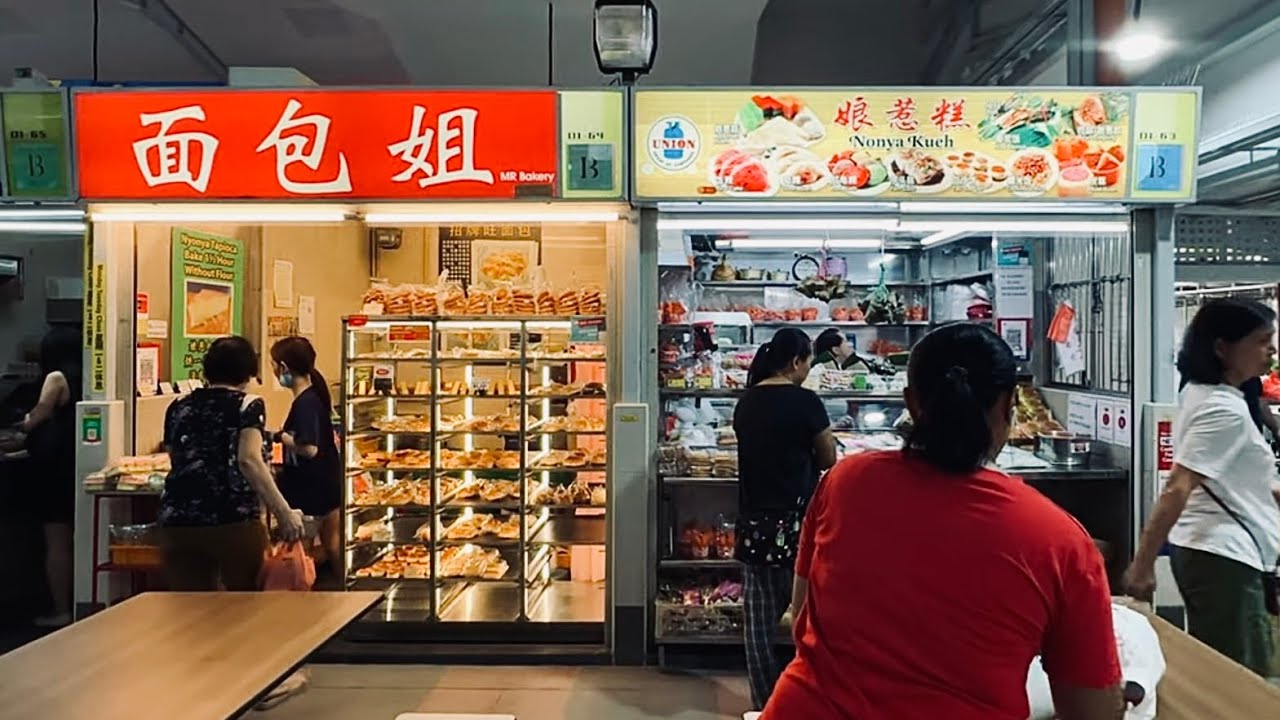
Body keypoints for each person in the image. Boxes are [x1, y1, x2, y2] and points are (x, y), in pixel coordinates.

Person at [763, 323, 1122, 720]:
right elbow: (1093, 711)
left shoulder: (843, 483)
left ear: (911, 405)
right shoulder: (1059, 539)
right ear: (1008, 407)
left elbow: (803, 620)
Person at [1124, 298, 1280, 676]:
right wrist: (1142, 566)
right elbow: (1178, 488)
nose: (1272, 350)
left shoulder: (1206, 394)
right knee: (1240, 679)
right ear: (1223, 348)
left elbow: (1236, 482)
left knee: (1226, 671)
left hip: (1213, 552)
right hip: (1223, 558)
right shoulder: (1221, 410)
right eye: (1262, 340)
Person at [733, 327, 838, 709]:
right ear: (797, 362)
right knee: (806, 618)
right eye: (809, 361)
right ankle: (802, 702)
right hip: (799, 526)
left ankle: (765, 705)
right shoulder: (806, 402)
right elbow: (829, 459)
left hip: (754, 525)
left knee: (759, 628)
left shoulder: (746, 402)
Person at [159, 336, 304, 591]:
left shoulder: (178, 405)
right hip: (232, 519)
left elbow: (174, 454)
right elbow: (249, 460)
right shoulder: (248, 404)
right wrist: (284, 512)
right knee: (243, 608)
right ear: (248, 371)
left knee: (186, 610)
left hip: (178, 521)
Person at [20, 326, 82, 626]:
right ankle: (83, 600)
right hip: (78, 460)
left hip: (55, 466)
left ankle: (61, 610)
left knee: (56, 540)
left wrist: (23, 425)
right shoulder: (93, 377)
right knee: (78, 535)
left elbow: (39, 415)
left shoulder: (56, 377)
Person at [269, 336, 341, 579]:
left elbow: (310, 449)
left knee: (304, 549)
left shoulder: (305, 403)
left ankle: (304, 602)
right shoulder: (316, 395)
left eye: (274, 366)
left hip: (310, 486)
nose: (274, 372)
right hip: (328, 479)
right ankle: (346, 594)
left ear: (285, 368)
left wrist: (281, 437)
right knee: (334, 543)